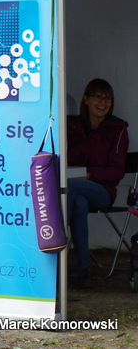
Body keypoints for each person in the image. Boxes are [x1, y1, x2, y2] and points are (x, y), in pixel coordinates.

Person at [67, 78, 129, 288]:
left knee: (70, 186)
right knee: (78, 203)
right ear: (86, 99)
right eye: (98, 97)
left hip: (103, 191)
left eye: (108, 98)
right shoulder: (70, 125)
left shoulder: (118, 129)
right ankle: (84, 268)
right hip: (76, 190)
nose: (103, 103)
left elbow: (116, 172)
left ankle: (54, 246)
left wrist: (89, 175)